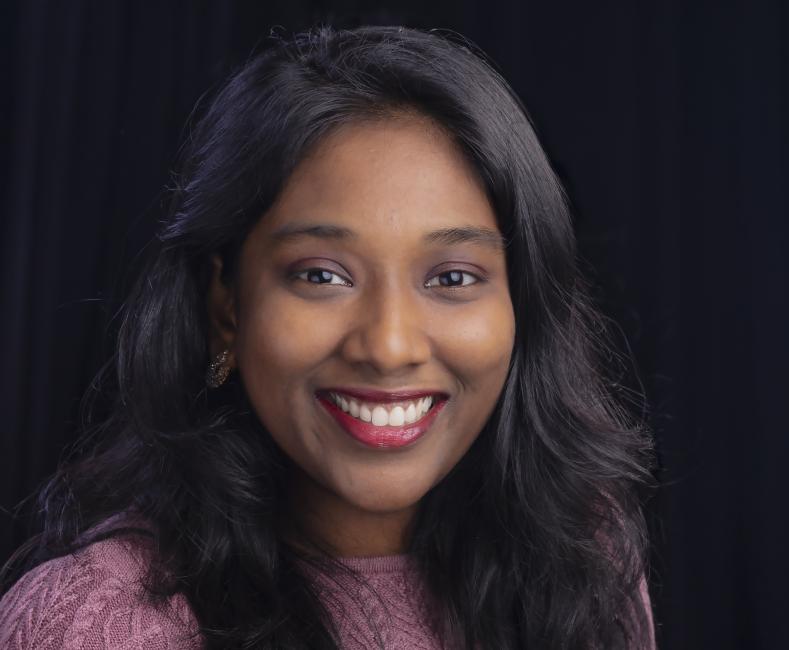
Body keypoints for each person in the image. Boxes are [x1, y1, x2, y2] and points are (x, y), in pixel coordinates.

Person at [0, 25, 656, 649]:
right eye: (322, 275)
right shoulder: (94, 623)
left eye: (453, 276)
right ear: (227, 304)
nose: (389, 344)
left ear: (522, 303)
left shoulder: (579, 561)